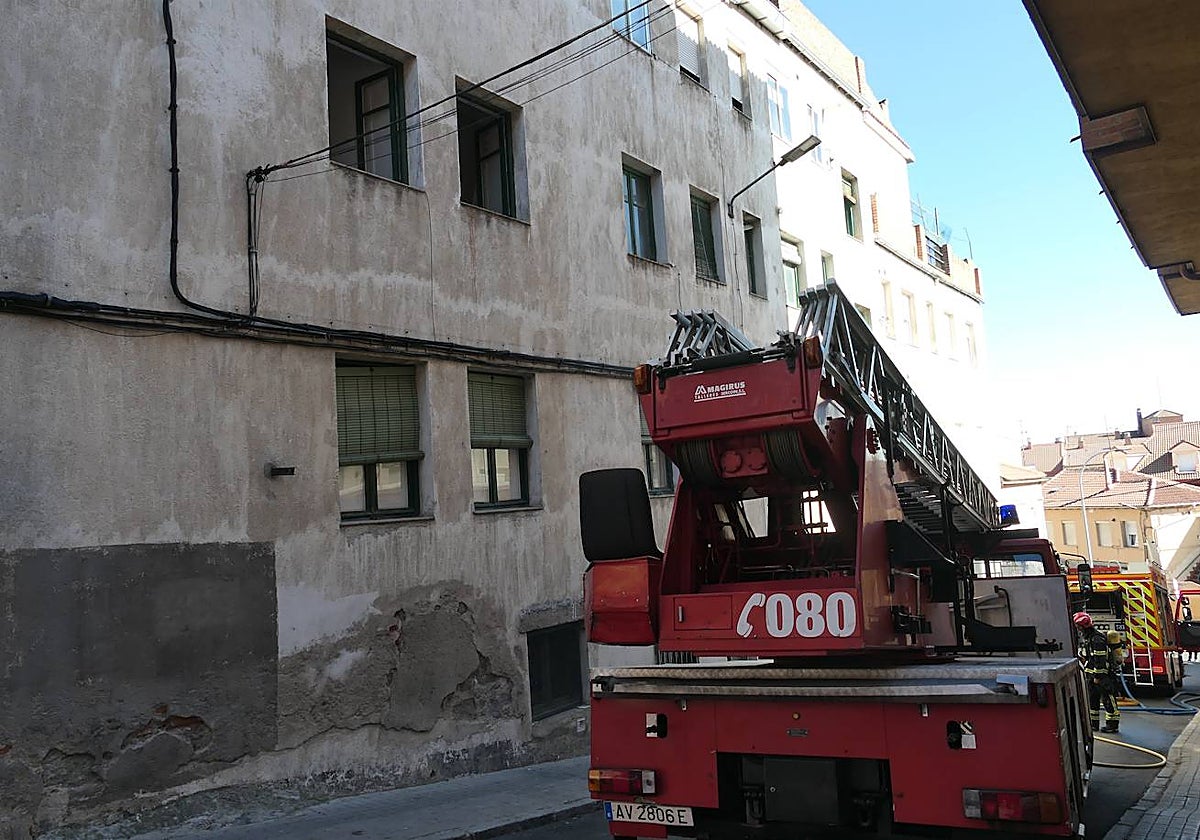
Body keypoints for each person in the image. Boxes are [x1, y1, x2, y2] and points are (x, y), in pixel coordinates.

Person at [1074, 611, 1124, 733]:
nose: (1078, 629)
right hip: (1091, 675)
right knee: (1092, 700)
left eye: (1078, 626)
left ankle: (1112, 725)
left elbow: (1100, 659)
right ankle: (1093, 724)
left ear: (1083, 626)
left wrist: (1098, 676)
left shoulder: (1097, 639)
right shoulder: (1089, 638)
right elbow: (1091, 657)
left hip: (1102, 677)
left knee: (1108, 700)